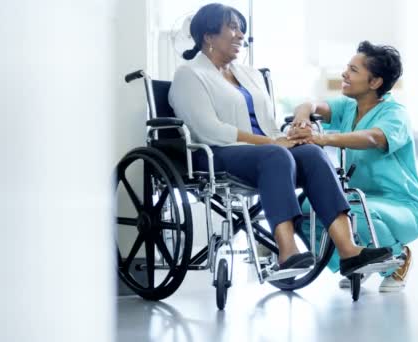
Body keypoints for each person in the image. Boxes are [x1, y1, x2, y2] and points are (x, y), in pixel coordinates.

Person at [168, 3, 393, 275]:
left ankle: (348, 251)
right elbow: (209, 129)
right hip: (218, 152)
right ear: (208, 35)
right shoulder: (189, 75)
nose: (241, 35)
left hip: (268, 153)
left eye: (242, 28)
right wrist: (273, 144)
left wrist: (291, 136)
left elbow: (268, 125)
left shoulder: (248, 74)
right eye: (232, 27)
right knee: (276, 155)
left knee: (310, 152)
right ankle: (287, 252)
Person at [288, 41, 418, 292]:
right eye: (347, 68)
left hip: (401, 205)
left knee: (350, 212)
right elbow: (311, 103)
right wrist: (302, 118)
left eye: (353, 70)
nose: (344, 74)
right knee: (305, 211)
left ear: (375, 82)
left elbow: (374, 138)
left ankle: (397, 258)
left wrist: (323, 138)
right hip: (359, 199)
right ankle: (355, 261)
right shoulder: (349, 106)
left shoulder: (395, 114)